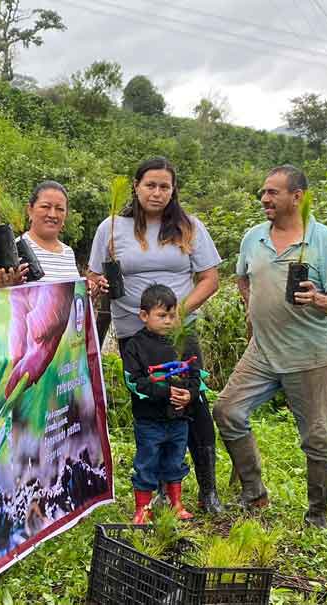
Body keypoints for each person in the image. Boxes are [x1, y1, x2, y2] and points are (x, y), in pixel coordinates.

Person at [214, 164, 327, 527]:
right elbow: (242, 278)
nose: (264, 199)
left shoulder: (324, 240)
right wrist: (251, 310)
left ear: (297, 196)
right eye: (263, 192)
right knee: (227, 411)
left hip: (309, 357)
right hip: (262, 351)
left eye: (273, 192)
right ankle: (254, 494)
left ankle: (318, 515)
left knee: (318, 438)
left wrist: (318, 299)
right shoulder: (253, 237)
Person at [87, 157, 224, 513]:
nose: (157, 192)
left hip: (179, 335)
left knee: (191, 401)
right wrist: (98, 283)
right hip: (134, 333)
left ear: (173, 190)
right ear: (136, 186)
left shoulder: (189, 226)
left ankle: (208, 490)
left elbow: (210, 279)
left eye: (165, 186)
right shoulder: (112, 227)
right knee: (151, 405)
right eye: (150, 185)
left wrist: (179, 314)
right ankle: (160, 488)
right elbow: (91, 277)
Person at [121, 285, 204, 523]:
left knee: (175, 461)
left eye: (173, 315)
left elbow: (196, 376)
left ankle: (175, 503)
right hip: (149, 421)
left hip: (179, 419)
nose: (169, 321)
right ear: (144, 316)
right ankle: (143, 509)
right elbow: (134, 383)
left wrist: (189, 395)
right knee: (146, 463)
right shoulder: (135, 346)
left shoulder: (184, 342)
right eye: (162, 315)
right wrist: (167, 391)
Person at [19, 181, 81, 282]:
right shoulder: (16, 250)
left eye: (60, 209)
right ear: (30, 210)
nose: (52, 215)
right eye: (45, 207)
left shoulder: (68, 253)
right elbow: (2, 295)